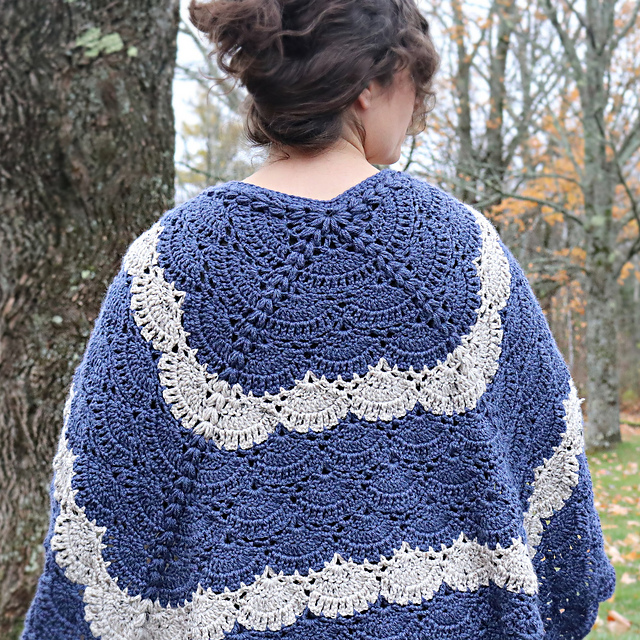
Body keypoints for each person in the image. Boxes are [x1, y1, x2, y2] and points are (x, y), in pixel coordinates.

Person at [21, 0, 616, 638]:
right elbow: (556, 510)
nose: (418, 106)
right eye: (415, 82)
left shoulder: (170, 262)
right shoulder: (461, 247)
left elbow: (102, 525)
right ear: (368, 86)